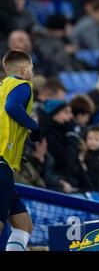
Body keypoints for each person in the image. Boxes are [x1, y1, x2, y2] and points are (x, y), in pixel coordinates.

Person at [0, 49, 40, 250]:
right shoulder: (22, 84)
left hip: (5, 166)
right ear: (25, 68)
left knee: (23, 225)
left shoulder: (2, 86)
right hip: (1, 163)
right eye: (31, 69)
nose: (32, 73)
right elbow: (12, 107)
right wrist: (34, 127)